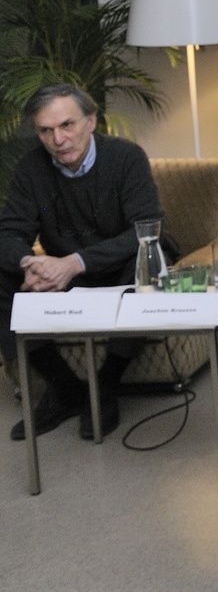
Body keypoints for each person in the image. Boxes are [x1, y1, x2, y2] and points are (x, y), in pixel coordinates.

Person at [0, 84, 170, 441]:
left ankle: (105, 387)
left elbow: (145, 229)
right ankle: (65, 388)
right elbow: (9, 232)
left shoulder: (126, 157)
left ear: (90, 121)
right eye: (46, 130)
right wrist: (29, 262)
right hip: (64, 273)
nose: (58, 139)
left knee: (147, 263)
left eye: (67, 125)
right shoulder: (32, 168)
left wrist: (73, 263)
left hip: (119, 263)